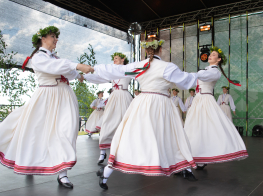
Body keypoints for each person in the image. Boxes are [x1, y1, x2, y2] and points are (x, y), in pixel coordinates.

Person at [88, 34, 199, 190]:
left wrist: (93, 69)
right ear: (160, 49)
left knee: (131, 138)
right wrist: (200, 75)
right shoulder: (167, 67)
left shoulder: (139, 65)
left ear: (146, 50)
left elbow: (116, 69)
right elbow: (186, 81)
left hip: (141, 104)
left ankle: (106, 172)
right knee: (172, 136)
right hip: (161, 105)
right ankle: (185, 168)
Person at [0, 26, 92, 189]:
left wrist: (78, 74)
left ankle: (63, 174)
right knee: (36, 131)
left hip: (64, 97)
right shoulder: (38, 57)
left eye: (56, 37)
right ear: (42, 38)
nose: (56, 39)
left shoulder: (55, 57)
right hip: (47, 97)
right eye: (52, 36)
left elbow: (66, 71)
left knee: (67, 131)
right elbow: (55, 68)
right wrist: (77, 66)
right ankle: (30, 162)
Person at [184, 46, 248, 171]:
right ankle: (197, 157)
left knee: (209, 128)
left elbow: (201, 75)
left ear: (218, 60)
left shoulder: (214, 72)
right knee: (195, 128)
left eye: (213, 55)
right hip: (198, 100)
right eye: (210, 54)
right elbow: (194, 80)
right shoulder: (206, 70)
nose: (210, 56)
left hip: (205, 100)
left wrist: (187, 74)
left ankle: (207, 154)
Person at [84, 52, 133, 164]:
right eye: (113, 59)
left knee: (126, 123)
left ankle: (126, 152)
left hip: (125, 97)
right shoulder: (111, 72)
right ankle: (102, 152)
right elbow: (99, 77)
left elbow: (141, 73)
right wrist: (84, 76)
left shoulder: (128, 70)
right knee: (107, 122)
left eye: (116, 58)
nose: (114, 60)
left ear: (123, 59)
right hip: (114, 98)